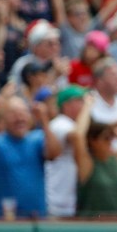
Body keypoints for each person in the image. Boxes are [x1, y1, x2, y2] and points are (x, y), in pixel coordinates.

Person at [0, 95, 61, 218]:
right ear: (3, 119)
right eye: (13, 113)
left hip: (35, 218)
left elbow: (54, 153)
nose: (19, 118)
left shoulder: (38, 139)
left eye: (24, 112)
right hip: (3, 218)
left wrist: (44, 120)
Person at [44, 85, 87, 217]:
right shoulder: (60, 123)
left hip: (67, 198)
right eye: (79, 100)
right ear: (66, 105)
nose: (83, 103)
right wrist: (88, 108)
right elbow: (76, 136)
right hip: (55, 197)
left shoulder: (71, 124)